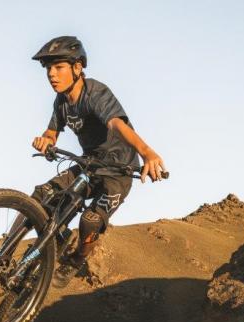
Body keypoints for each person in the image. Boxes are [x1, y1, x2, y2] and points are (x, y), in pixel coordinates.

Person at [29, 36, 167, 287]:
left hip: (117, 171)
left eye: (58, 67)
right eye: (48, 68)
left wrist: (147, 152)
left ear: (77, 67)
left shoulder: (95, 93)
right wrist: (46, 141)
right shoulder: (61, 101)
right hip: (89, 165)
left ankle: (75, 260)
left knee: (90, 221)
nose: (51, 74)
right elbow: (52, 132)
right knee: (42, 195)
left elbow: (117, 124)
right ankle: (57, 237)